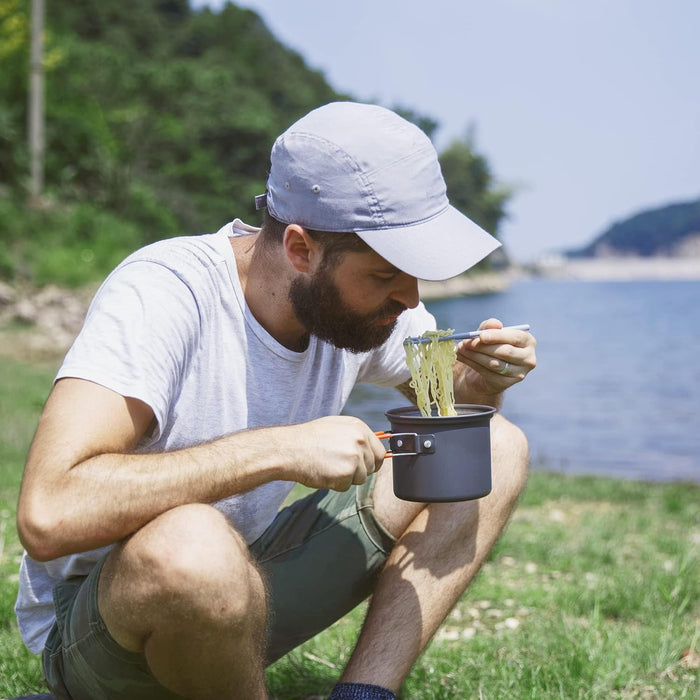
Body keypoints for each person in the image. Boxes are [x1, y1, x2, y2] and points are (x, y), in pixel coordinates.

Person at [15, 101, 536, 700]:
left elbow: (450, 410)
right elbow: (49, 514)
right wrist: (279, 450)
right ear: (300, 248)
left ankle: (363, 696)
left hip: (243, 589)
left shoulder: (368, 306)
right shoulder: (165, 291)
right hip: (110, 625)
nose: (410, 297)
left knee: (495, 447)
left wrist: (485, 380)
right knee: (192, 544)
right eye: (386, 272)